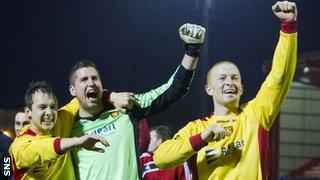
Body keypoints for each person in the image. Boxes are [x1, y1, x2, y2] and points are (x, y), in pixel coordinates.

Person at [153, 1, 298, 180]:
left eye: (234, 78)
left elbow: (279, 77)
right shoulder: (197, 128)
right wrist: (202, 139)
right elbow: (160, 158)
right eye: (222, 78)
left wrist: (288, 27)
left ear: (242, 88)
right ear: (209, 89)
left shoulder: (255, 114)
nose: (229, 82)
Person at [68, 23, 206, 179]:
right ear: (72, 90)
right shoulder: (66, 125)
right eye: (84, 80)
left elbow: (173, 90)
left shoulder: (125, 108)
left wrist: (193, 51)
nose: (91, 83)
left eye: (95, 78)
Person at [9, 81, 108, 180]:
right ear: (28, 112)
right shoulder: (19, 146)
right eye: (42, 107)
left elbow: (85, 97)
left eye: (53, 107)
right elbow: (42, 149)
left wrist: (111, 96)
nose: (49, 112)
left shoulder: (61, 120)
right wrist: (77, 141)